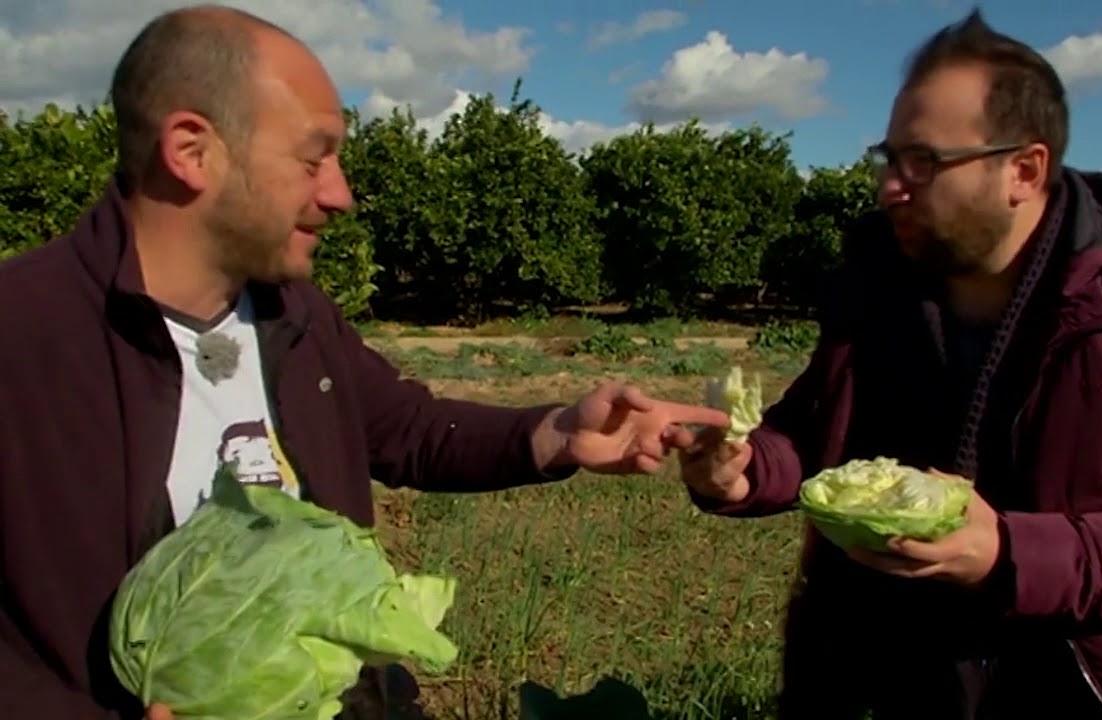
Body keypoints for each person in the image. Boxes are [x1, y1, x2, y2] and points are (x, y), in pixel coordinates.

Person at [0, 6, 729, 720]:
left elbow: (405, 427)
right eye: (314, 158)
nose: (340, 194)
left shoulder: (296, 313)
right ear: (192, 151)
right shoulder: (24, 333)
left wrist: (561, 432)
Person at [681, 10, 1102, 720]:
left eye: (924, 162)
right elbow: (813, 437)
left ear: (1023, 170)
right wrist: (740, 469)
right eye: (889, 157)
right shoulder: (880, 291)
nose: (890, 187)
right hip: (889, 684)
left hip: (1099, 685)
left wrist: (1012, 552)